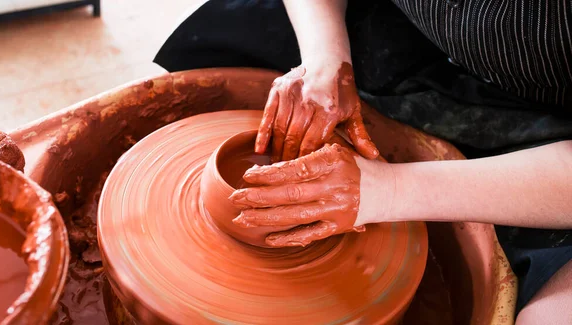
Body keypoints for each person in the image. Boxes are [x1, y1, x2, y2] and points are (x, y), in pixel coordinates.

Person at [154, 0, 572, 322]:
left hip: (550, 141)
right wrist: (325, 57)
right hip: (396, 36)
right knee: (215, 49)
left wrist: (386, 190)